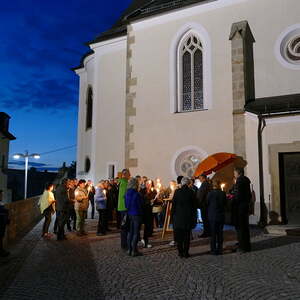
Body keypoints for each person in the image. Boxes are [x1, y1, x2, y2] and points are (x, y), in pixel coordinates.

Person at [171, 177, 197, 258]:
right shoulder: (191, 192)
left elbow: (174, 205)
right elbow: (194, 206)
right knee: (186, 236)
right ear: (188, 183)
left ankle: (180, 252)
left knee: (179, 237)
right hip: (188, 217)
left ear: (182, 183)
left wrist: (172, 216)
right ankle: (186, 253)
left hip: (178, 217)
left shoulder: (177, 192)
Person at [233, 167, 252, 253]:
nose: (234, 174)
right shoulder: (246, 180)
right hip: (245, 206)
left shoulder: (240, 181)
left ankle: (242, 246)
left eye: (235, 173)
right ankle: (245, 244)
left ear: (238, 173)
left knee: (241, 227)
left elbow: (238, 195)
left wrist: (232, 199)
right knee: (244, 227)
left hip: (240, 207)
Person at [125, 177, 144, 257]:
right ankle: (134, 251)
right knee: (136, 233)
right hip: (136, 214)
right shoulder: (137, 194)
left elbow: (126, 205)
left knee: (130, 232)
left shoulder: (126, 193)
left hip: (130, 214)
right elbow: (140, 206)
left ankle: (129, 249)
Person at [207, 181, 226, 255]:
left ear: (213, 186)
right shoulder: (223, 193)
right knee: (220, 233)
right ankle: (220, 249)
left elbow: (207, 202)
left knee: (213, 233)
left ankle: (213, 249)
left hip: (212, 216)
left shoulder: (210, 194)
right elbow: (225, 203)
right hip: (220, 215)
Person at [140, 180, 156, 248]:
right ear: (145, 184)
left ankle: (145, 240)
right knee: (139, 227)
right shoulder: (142, 191)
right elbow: (142, 201)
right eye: (148, 184)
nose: (149, 185)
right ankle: (140, 240)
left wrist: (155, 200)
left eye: (150, 184)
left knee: (148, 227)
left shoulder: (152, 191)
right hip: (143, 211)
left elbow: (153, 199)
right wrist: (149, 201)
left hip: (149, 211)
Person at [117, 168, 130, 251]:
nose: (130, 175)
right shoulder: (124, 183)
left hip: (122, 207)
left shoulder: (121, 181)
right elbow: (125, 196)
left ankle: (124, 244)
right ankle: (124, 245)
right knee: (125, 227)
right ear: (125, 174)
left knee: (124, 226)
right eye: (129, 174)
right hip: (124, 208)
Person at [196, 174, 211, 238]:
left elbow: (201, 195)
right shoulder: (206, 183)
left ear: (202, 178)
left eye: (200, 178)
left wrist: (198, 203)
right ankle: (207, 232)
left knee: (205, 219)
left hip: (204, 205)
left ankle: (206, 233)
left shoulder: (205, 184)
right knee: (206, 219)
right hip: (205, 204)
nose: (199, 179)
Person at [0, 190, 10, 257]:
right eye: (1, 195)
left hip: (2, 222)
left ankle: (1, 250)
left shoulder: (1, 203)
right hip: (0, 223)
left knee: (1, 237)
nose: (1, 196)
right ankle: (1, 252)